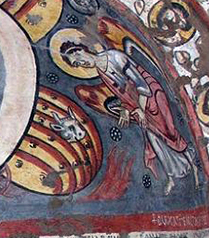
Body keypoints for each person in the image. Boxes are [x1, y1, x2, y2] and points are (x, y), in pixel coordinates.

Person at [65, 41, 198, 195]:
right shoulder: (100, 71)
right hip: (138, 104)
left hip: (153, 98)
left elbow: (142, 85)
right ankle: (171, 177)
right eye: (76, 65)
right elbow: (123, 93)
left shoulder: (115, 57)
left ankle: (194, 167)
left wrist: (139, 109)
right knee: (153, 139)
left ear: (81, 50)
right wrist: (126, 110)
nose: (81, 64)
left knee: (170, 134)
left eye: (78, 59)